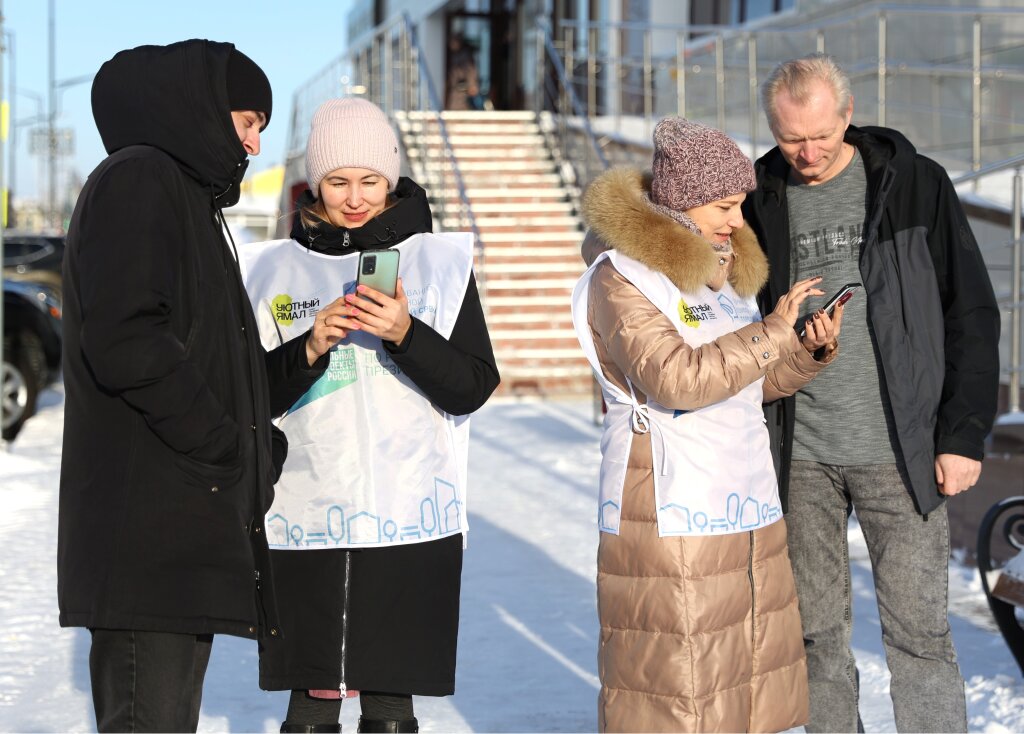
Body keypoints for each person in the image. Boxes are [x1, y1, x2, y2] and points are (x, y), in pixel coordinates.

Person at [58, 40, 338, 732]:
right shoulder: (140, 179)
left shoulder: (185, 198)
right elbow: (127, 340)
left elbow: (213, 369)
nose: (254, 141)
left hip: (178, 537)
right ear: (204, 109)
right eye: (248, 120)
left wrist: (306, 350)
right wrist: (220, 446)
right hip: (146, 542)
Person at [742, 53, 1001, 733]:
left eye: (820, 136)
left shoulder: (916, 184)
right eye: (790, 137)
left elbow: (970, 312)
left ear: (848, 117)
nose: (805, 152)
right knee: (814, 637)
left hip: (904, 451)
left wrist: (963, 434)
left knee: (919, 636)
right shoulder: (758, 198)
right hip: (799, 456)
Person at [572, 117, 843, 733]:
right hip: (669, 506)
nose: (736, 220)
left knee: (740, 678)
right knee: (682, 684)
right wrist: (770, 332)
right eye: (724, 205)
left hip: (739, 499)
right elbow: (678, 379)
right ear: (682, 203)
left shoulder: (720, 279)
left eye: (740, 204)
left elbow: (741, 384)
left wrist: (802, 352)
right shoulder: (624, 277)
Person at [239, 98, 500, 734]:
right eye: (337, 182)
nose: (354, 199)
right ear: (314, 182)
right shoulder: (272, 269)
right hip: (304, 516)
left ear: (391, 178)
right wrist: (309, 346)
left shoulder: (439, 265)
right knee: (311, 702)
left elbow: (471, 385)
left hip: (409, 514)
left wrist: (406, 333)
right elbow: (248, 398)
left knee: (389, 703)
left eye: (370, 181)